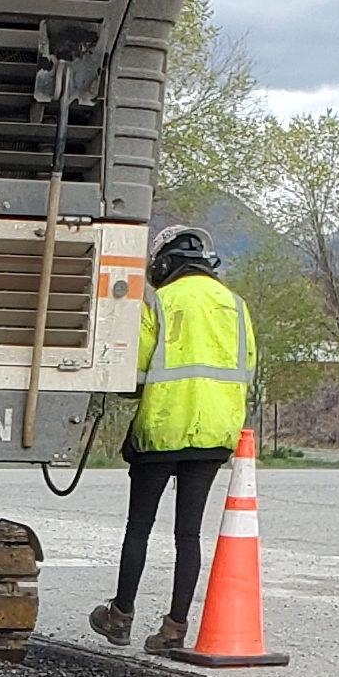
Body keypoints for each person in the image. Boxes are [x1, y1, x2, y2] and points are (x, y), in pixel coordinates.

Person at [91, 226, 257, 654]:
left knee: (139, 528)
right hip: (214, 433)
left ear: (164, 264)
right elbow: (247, 369)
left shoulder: (159, 302)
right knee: (188, 535)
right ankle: (174, 629)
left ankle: (120, 617)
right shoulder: (236, 307)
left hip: (162, 429)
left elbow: (138, 369)